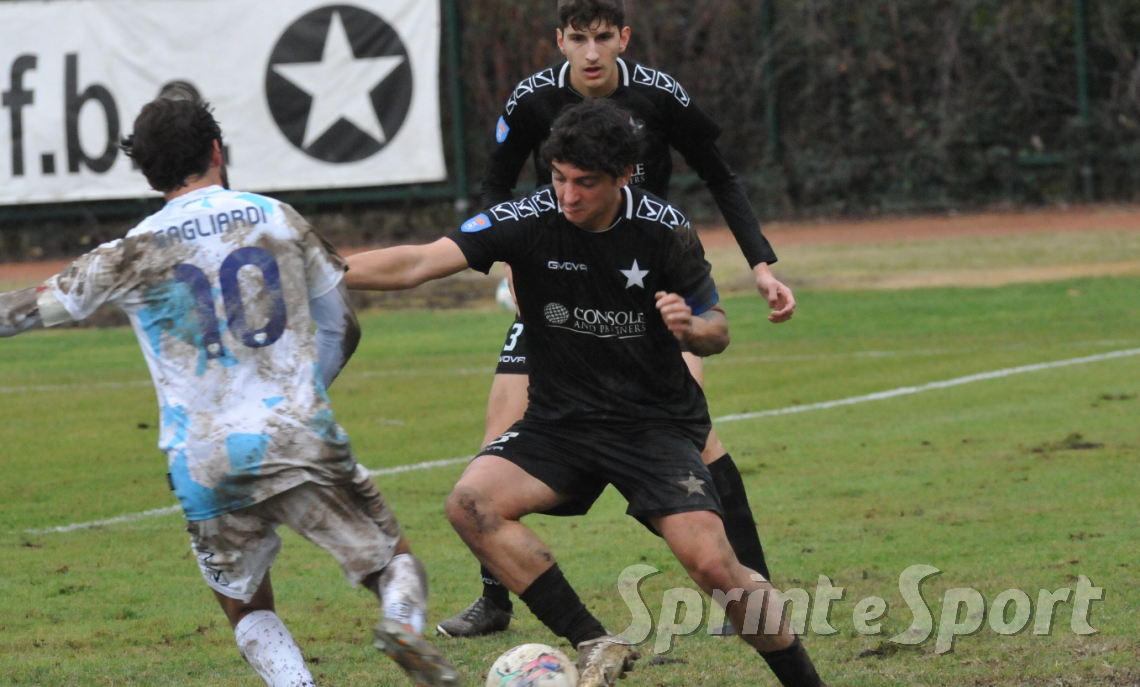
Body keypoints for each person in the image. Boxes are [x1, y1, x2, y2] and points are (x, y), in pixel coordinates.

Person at [345, 100, 826, 687]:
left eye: (585, 183)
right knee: (470, 505)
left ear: (623, 177)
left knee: (715, 567)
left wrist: (690, 329)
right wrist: (312, 268)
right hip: (560, 422)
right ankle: (595, 640)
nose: (568, 196)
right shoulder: (527, 218)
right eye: (558, 178)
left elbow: (717, 329)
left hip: (654, 424)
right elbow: (418, 262)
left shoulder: (662, 229)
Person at [0, 91, 460, 687]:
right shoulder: (277, 217)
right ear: (216, 150)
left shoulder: (129, 252)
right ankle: (402, 624)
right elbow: (342, 323)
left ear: (146, 171)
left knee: (244, 603)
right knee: (392, 562)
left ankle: (295, 684)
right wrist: (304, 393)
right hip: (298, 433)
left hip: (205, 457)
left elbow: (28, 310)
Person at [444, 0, 791, 637]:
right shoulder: (530, 99)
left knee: (695, 434)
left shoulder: (660, 96)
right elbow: (495, 186)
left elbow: (720, 176)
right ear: (561, 41)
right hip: (560, 286)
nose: (593, 52)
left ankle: (749, 590)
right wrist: (512, 264)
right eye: (579, 39)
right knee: (498, 430)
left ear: (623, 37)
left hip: (649, 291)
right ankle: (496, 598)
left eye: (605, 37)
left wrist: (760, 265)